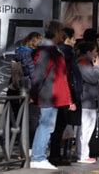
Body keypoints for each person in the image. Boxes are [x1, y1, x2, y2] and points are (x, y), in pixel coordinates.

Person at [29, 21, 75, 170]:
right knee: (46, 126)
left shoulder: (50, 50)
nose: (63, 34)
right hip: (48, 94)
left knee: (48, 126)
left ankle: (39, 156)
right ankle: (38, 157)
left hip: (50, 94)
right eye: (61, 31)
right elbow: (38, 75)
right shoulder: (48, 51)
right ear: (56, 33)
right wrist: (33, 93)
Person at [50, 27, 83, 166]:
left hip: (58, 93)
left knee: (58, 127)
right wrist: (73, 98)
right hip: (65, 94)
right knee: (61, 126)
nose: (75, 41)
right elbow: (70, 76)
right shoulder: (67, 52)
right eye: (73, 38)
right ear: (67, 39)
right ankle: (57, 155)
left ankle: (57, 154)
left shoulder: (58, 51)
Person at [9, 31, 42, 148]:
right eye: (39, 40)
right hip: (28, 86)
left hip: (17, 86)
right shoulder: (29, 53)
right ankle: (26, 145)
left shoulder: (19, 51)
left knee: (19, 114)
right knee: (29, 117)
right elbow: (30, 70)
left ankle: (17, 140)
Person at [76, 41, 99, 164]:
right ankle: (82, 154)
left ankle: (84, 153)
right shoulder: (82, 63)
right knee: (85, 129)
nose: (96, 54)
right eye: (95, 51)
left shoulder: (84, 63)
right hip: (85, 101)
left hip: (89, 101)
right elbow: (93, 78)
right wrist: (97, 66)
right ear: (88, 52)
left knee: (87, 129)